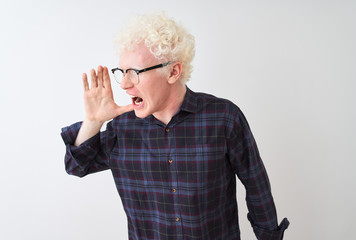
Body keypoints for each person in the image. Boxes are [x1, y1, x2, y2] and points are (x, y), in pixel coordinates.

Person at [61, 12, 289, 240]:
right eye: (122, 72)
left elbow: (257, 188)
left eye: (134, 72)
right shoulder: (121, 128)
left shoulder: (223, 118)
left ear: (173, 71)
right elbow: (76, 166)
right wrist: (94, 122)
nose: (124, 84)